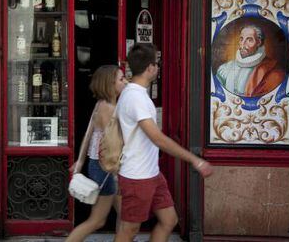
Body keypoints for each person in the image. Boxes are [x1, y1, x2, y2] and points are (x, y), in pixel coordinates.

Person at [114, 43, 213, 242]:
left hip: (151, 173)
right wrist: (195, 160)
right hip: (137, 176)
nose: (158, 68)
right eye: (157, 64)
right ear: (150, 68)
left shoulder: (135, 93)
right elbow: (157, 138)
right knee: (129, 230)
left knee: (169, 220)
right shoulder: (135, 97)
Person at [66, 65, 127, 242]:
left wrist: (80, 161)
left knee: (125, 217)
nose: (125, 81)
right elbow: (114, 142)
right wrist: (117, 172)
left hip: (102, 166)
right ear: (110, 83)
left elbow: (88, 133)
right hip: (106, 168)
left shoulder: (102, 104)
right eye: (121, 79)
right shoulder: (108, 107)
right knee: (97, 220)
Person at [216, 25, 286, 97]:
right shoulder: (225, 68)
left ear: (258, 42)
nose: (243, 44)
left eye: (249, 40)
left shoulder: (272, 70)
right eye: (241, 39)